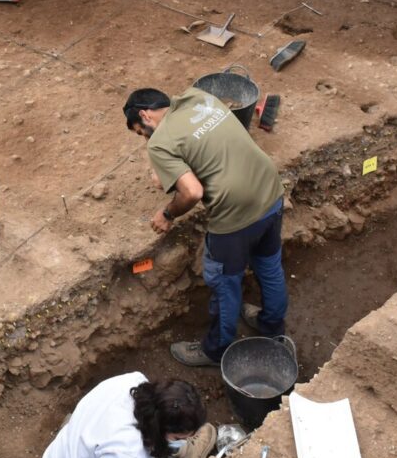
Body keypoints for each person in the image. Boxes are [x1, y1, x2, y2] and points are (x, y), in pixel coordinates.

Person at [123, 87, 289, 367]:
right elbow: (206, 147)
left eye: (141, 132)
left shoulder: (159, 142)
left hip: (235, 214)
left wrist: (167, 214)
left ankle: (216, 350)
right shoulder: (199, 98)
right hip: (270, 190)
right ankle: (271, 326)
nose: (145, 139)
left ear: (145, 116)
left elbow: (192, 193)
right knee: (269, 265)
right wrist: (168, 172)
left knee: (225, 284)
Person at [40, 372, 215, 458]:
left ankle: (188, 453)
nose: (183, 439)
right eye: (179, 437)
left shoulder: (135, 381)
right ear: (159, 429)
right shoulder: (129, 456)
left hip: (63, 457)